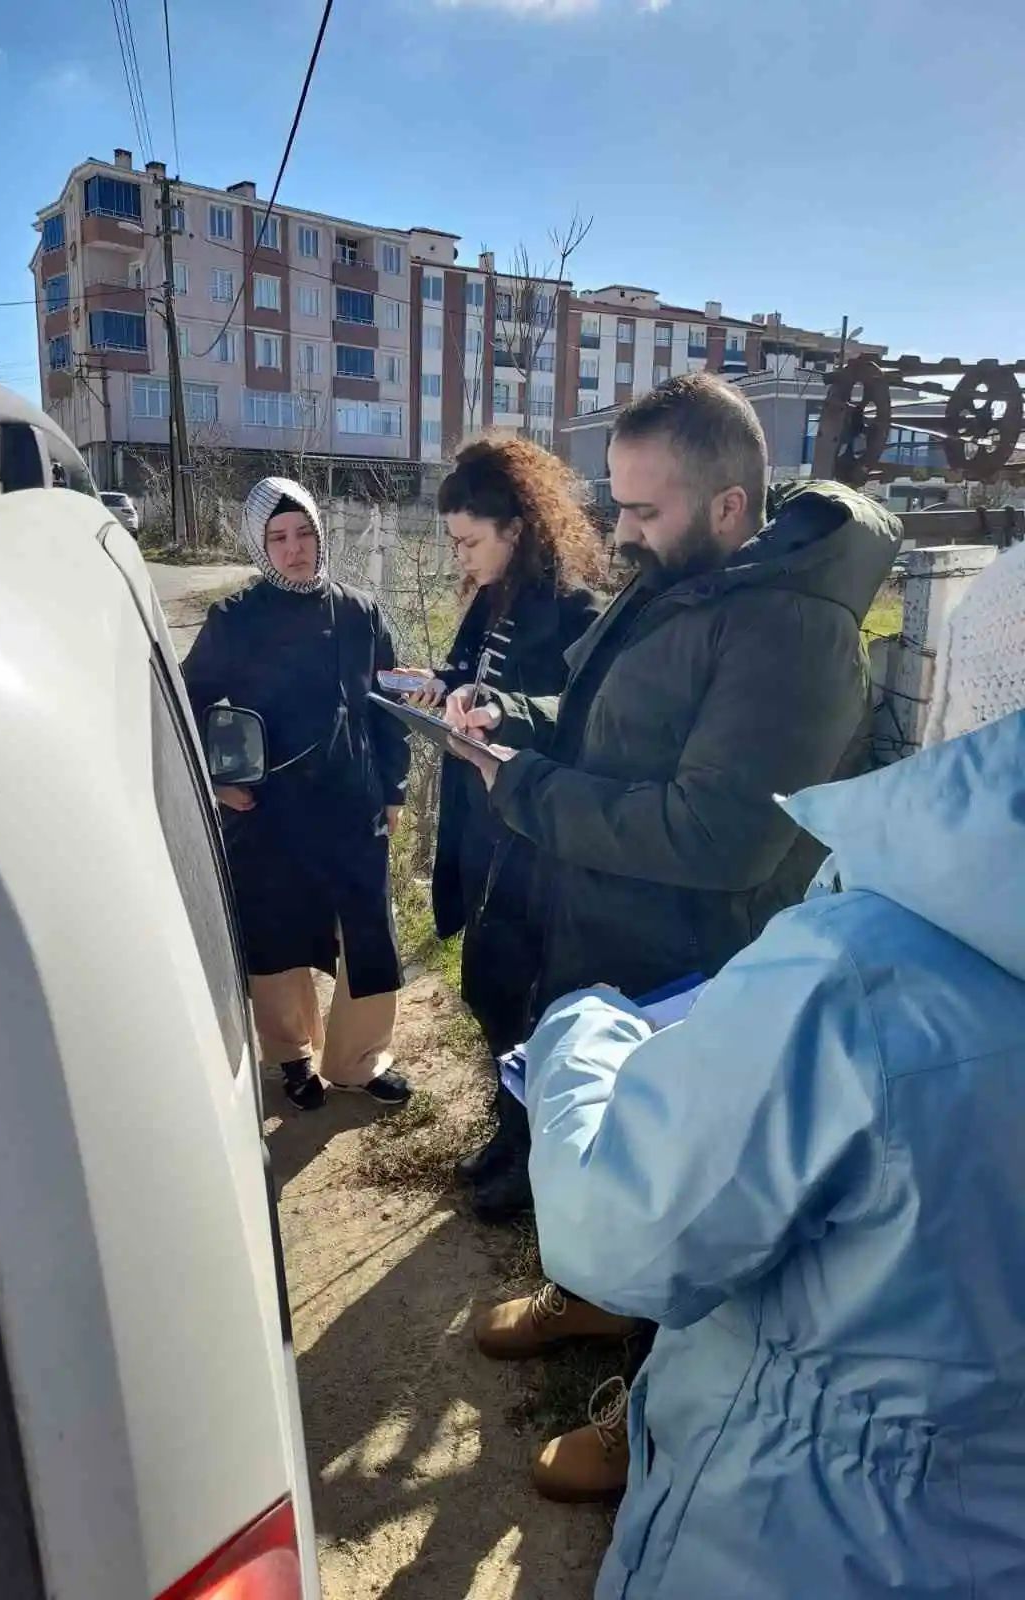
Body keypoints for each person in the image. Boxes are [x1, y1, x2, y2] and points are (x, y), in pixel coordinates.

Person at [520, 539, 1025, 1600]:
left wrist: (583, 1030)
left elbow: (616, 1226)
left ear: (973, 705)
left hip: (805, 1536)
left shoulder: (856, 974)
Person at [446, 374, 899, 1499]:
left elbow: (718, 837)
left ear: (732, 507)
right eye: (619, 506)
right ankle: (596, 1295)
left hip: (698, 973)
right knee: (602, 1152)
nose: (620, 532)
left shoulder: (793, 626)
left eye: (643, 511)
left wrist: (525, 789)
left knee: (682, 1194)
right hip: (614, 935)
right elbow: (610, 728)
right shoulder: (682, 583)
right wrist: (515, 719)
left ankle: (656, 1409)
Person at [393, 438, 603, 1202]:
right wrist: (435, 685)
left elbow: (576, 728)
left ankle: (531, 1153)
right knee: (485, 984)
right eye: (454, 544)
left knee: (524, 996)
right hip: (479, 826)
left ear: (516, 528)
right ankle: (509, 1127)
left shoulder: (577, 611)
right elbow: (464, 671)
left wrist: (498, 717)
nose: (462, 559)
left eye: (469, 542)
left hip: (534, 843)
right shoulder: (492, 598)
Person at [183, 476, 412, 1111]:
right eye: (277, 538)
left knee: (368, 932)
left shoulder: (359, 611)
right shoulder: (235, 619)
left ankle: (360, 1060)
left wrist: (392, 786)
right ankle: (292, 1056)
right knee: (276, 934)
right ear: (260, 547)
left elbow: (388, 702)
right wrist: (219, 780)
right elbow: (182, 703)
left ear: (319, 533)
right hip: (271, 813)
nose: (294, 549)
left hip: (352, 803)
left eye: (304, 532)